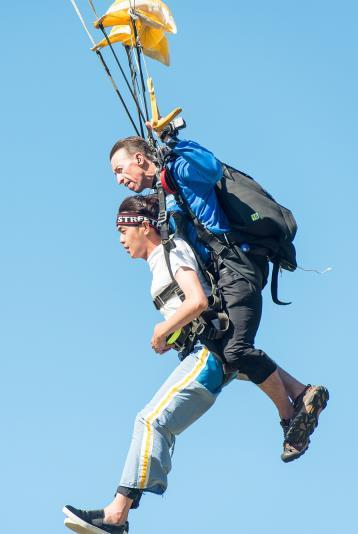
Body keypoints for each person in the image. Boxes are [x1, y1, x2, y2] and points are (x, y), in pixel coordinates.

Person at [109, 133, 328, 461]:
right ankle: (301, 392)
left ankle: (289, 416)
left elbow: (210, 169)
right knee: (226, 350)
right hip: (224, 277)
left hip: (237, 268)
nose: (118, 178)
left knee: (236, 351)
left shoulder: (180, 170)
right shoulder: (167, 194)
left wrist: (175, 142)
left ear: (140, 159)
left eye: (119, 168)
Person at [63, 195, 230, 534]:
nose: (121, 242)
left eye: (122, 232)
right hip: (199, 355)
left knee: (150, 420)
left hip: (207, 356)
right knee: (154, 422)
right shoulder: (159, 263)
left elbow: (198, 300)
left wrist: (162, 330)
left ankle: (116, 515)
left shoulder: (172, 251)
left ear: (142, 226)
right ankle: (118, 513)